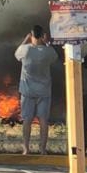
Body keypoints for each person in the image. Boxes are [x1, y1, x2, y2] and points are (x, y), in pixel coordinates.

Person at [14, 25, 58, 155]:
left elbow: (16, 53)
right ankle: (42, 149)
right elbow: (54, 56)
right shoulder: (48, 52)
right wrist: (47, 42)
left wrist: (25, 40)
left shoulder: (25, 50)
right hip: (44, 92)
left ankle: (26, 148)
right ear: (42, 36)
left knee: (27, 120)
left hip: (27, 92)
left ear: (31, 35)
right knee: (43, 120)